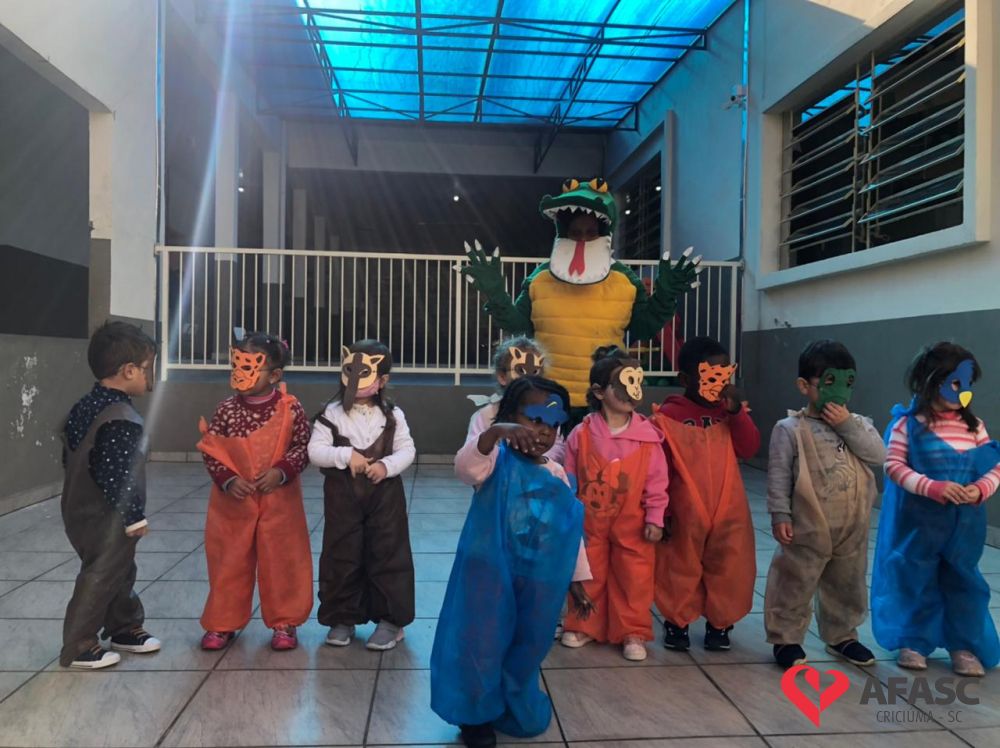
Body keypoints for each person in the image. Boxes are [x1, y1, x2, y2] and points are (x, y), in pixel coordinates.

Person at [431, 376, 594, 748]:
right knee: (481, 643)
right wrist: (494, 434)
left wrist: (576, 582)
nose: (543, 431)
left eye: (553, 424)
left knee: (526, 643)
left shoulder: (555, 474)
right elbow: (464, 468)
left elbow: (566, 534)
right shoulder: (493, 461)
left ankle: (510, 702)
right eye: (533, 419)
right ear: (507, 415)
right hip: (487, 573)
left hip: (536, 580)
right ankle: (475, 715)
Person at [872, 342, 1000, 677]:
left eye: (968, 384)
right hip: (919, 525)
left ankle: (963, 645)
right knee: (916, 579)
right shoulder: (907, 425)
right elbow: (893, 466)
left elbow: (994, 467)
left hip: (964, 526)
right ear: (929, 380)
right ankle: (914, 641)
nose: (963, 391)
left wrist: (980, 489)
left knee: (963, 582)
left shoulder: (975, 427)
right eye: (955, 382)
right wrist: (932, 487)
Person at [764, 340, 885, 669]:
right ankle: (786, 638)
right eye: (829, 382)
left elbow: (878, 455)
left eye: (848, 383)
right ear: (804, 386)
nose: (840, 392)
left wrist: (846, 424)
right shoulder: (789, 429)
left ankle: (842, 635)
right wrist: (780, 514)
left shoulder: (859, 424)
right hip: (807, 524)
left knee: (848, 583)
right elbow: (778, 476)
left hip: (851, 526)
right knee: (795, 581)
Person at [197, 332, 313, 651]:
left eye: (249, 367)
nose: (239, 372)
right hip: (233, 504)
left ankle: (285, 622)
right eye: (236, 365)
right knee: (229, 561)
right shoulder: (226, 410)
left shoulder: (291, 409)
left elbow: (303, 446)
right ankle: (222, 622)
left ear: (274, 375)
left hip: (280, 501)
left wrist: (282, 471)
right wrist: (228, 480)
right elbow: (212, 449)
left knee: (283, 560)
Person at [59, 321, 161, 669]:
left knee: (118, 569)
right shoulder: (120, 418)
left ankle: (123, 628)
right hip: (108, 516)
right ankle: (79, 645)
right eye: (147, 368)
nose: (150, 376)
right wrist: (133, 517)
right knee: (101, 576)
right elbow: (119, 475)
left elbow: (71, 455)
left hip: (79, 509)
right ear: (128, 371)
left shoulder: (86, 405)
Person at [560, 346, 668, 661]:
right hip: (589, 521)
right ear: (599, 392)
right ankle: (583, 623)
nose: (631, 391)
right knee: (586, 570)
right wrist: (567, 513)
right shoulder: (581, 434)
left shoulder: (648, 437)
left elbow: (657, 481)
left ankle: (632, 630)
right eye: (622, 383)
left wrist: (655, 517)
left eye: (636, 382)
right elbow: (568, 476)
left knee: (634, 576)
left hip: (633, 523)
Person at [651, 336, 759, 651]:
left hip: (728, 505)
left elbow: (749, 448)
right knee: (679, 564)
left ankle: (720, 623)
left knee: (729, 563)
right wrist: (663, 511)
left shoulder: (730, 413)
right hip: (684, 505)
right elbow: (660, 467)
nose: (719, 384)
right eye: (711, 376)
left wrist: (737, 413)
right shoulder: (669, 415)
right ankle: (677, 621)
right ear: (687, 379)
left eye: (724, 375)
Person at [308, 340, 416, 651]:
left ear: (382, 379)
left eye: (364, 373)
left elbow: (407, 450)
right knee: (342, 554)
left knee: (388, 553)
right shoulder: (331, 414)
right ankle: (342, 617)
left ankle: (391, 621)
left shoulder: (393, 415)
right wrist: (345, 455)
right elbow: (315, 451)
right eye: (350, 370)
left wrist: (386, 466)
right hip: (343, 498)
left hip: (385, 497)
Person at [466, 336, 565, 462]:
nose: (528, 379)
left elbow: (558, 446)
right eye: (521, 371)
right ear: (502, 377)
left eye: (535, 372)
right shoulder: (486, 416)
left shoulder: (549, 413)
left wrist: (539, 461)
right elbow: (471, 455)